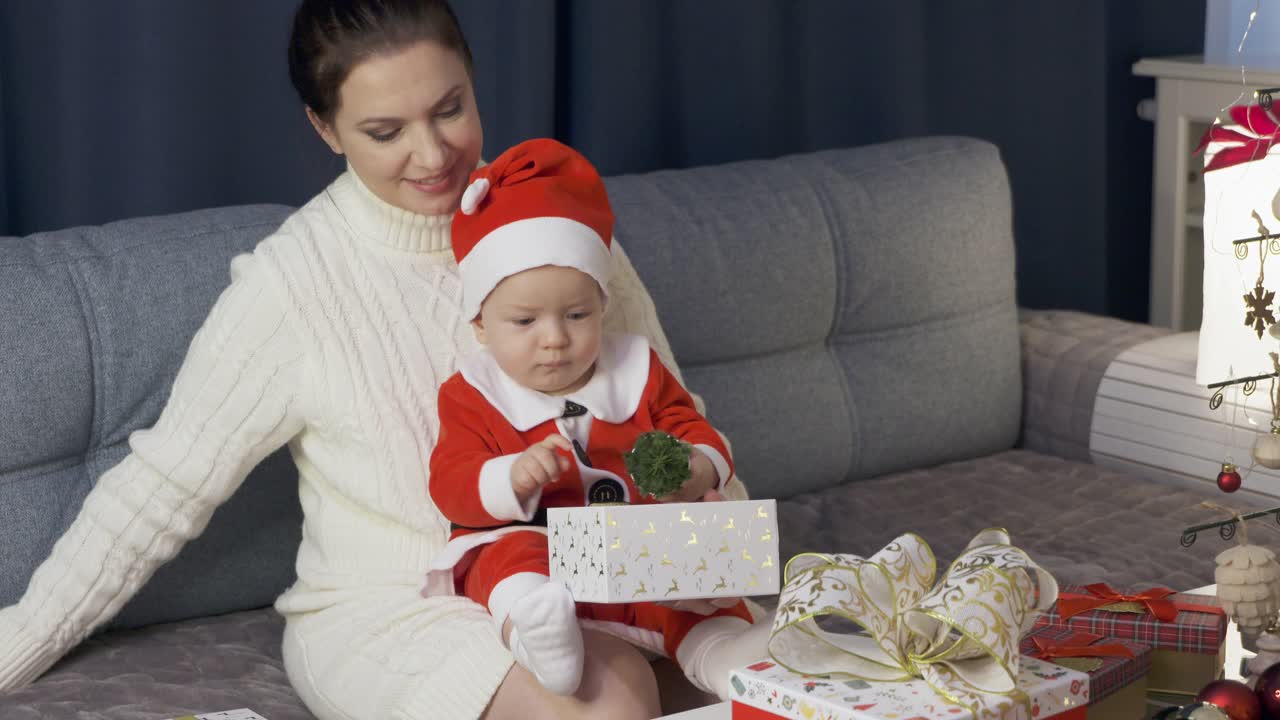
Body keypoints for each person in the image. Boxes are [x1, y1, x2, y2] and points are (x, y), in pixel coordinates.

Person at [0, 1, 766, 719]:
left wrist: (720, 564)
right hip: (391, 608)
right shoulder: (293, 283)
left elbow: (675, 420)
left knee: (765, 675)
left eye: (450, 109)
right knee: (610, 694)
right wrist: (18, 643)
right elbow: (159, 488)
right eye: (384, 130)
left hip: (596, 573)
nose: (433, 154)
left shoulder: (555, 221)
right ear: (325, 129)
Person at [428, 137, 759, 699]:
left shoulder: (635, 368)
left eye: (577, 314)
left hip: (635, 547)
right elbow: (451, 482)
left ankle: (724, 648)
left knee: (692, 557)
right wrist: (510, 477)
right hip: (542, 546)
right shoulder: (473, 393)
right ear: (481, 326)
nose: (555, 339)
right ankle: (537, 627)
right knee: (502, 556)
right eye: (525, 321)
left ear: (602, 306)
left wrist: (698, 468)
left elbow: (690, 427)